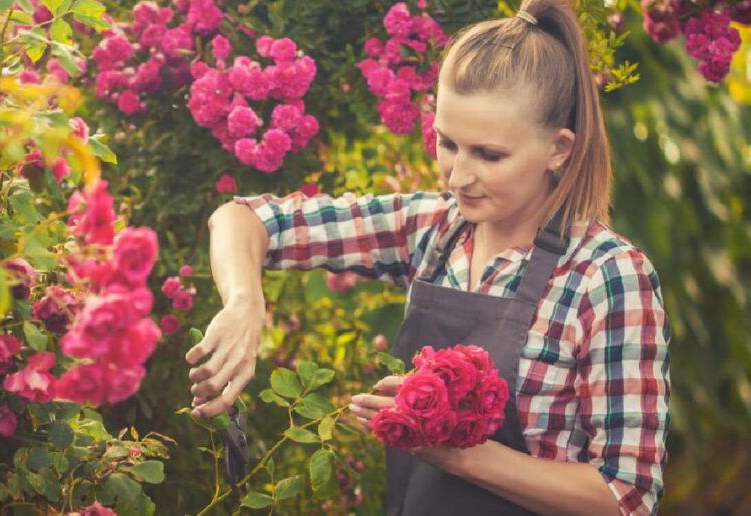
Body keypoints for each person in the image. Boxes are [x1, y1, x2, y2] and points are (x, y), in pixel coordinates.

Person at [184, 0, 671, 514]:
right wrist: (244, 303)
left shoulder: (607, 276)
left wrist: (458, 455)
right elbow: (244, 219)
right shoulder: (432, 231)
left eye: (488, 155)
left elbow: (626, 498)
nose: (457, 176)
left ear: (559, 149)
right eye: (447, 143)